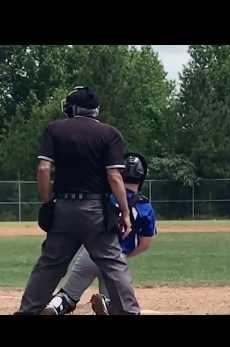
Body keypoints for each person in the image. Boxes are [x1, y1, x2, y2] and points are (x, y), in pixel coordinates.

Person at [15, 86, 140, 315]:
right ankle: (128, 312)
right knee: (113, 264)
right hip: (96, 211)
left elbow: (44, 168)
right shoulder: (109, 134)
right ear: (95, 110)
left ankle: (27, 311)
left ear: (71, 108)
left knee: (50, 265)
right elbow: (114, 176)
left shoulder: (54, 130)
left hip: (63, 208)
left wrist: (47, 200)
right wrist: (124, 211)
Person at [41, 153, 157, 315]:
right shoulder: (146, 207)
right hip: (117, 259)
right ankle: (107, 304)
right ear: (142, 177)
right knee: (118, 302)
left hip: (90, 253)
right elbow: (145, 244)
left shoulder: (104, 197)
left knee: (68, 295)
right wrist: (122, 255)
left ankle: (55, 306)